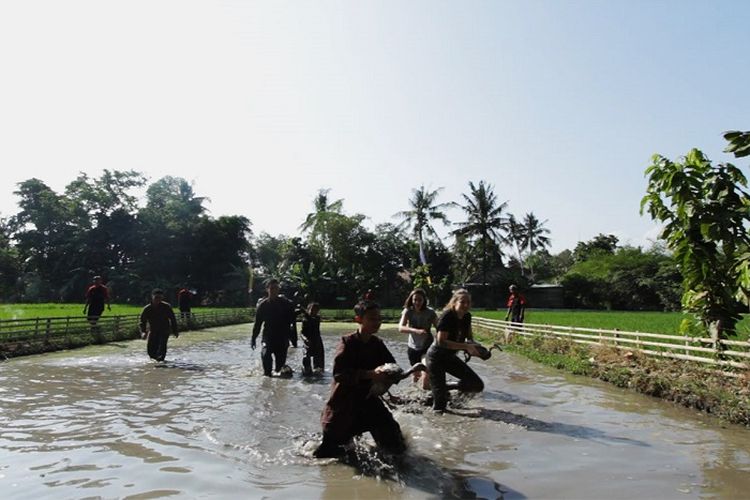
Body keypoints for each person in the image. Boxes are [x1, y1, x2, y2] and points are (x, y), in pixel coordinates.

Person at [313, 300, 407, 458]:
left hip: (368, 399)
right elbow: (339, 374)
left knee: (397, 445)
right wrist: (370, 374)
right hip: (344, 404)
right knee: (327, 455)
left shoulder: (377, 344)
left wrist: (392, 383)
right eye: (372, 318)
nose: (376, 322)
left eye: (378, 318)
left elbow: (392, 368)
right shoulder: (347, 342)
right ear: (359, 320)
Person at [425, 288, 485, 413]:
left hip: (450, 357)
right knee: (440, 406)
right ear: (454, 303)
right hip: (436, 358)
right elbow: (442, 341)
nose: (466, 305)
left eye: (468, 302)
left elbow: (469, 338)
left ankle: (445, 392)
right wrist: (466, 347)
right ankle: (439, 392)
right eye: (462, 302)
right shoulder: (448, 316)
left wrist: (476, 348)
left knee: (476, 385)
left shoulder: (467, 316)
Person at [251, 278, 298, 376]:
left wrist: (293, 338)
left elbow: (292, 321)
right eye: (272, 288)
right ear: (267, 289)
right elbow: (258, 324)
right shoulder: (263, 306)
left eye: (276, 288)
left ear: (278, 289)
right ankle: (267, 380)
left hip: (282, 337)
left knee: (279, 369)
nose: (274, 290)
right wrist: (253, 338)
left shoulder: (286, 304)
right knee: (265, 355)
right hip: (268, 336)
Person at [398, 288, 438, 383]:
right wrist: (416, 331)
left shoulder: (430, 312)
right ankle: (414, 394)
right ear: (411, 300)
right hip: (413, 347)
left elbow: (439, 328)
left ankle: (427, 389)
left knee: (426, 371)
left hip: (427, 346)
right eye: (415, 300)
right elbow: (400, 328)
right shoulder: (408, 311)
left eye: (420, 300)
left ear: (424, 300)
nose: (417, 302)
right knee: (415, 375)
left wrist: (439, 341)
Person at [139, 288, 179, 361]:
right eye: (156, 297)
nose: (158, 300)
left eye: (160, 298)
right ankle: (154, 362)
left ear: (162, 298)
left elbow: (173, 319)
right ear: (152, 297)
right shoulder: (147, 309)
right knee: (150, 350)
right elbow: (142, 321)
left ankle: (161, 362)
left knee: (162, 347)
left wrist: (175, 330)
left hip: (164, 330)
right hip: (153, 330)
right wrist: (143, 332)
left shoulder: (166, 307)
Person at [300, 302, 324, 376]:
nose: (313, 311)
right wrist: (305, 339)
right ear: (308, 309)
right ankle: (306, 370)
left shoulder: (317, 318)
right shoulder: (304, 320)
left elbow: (312, 320)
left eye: (315, 310)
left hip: (317, 343)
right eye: (312, 309)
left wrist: (305, 312)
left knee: (319, 369)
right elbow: (301, 333)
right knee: (306, 359)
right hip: (307, 342)